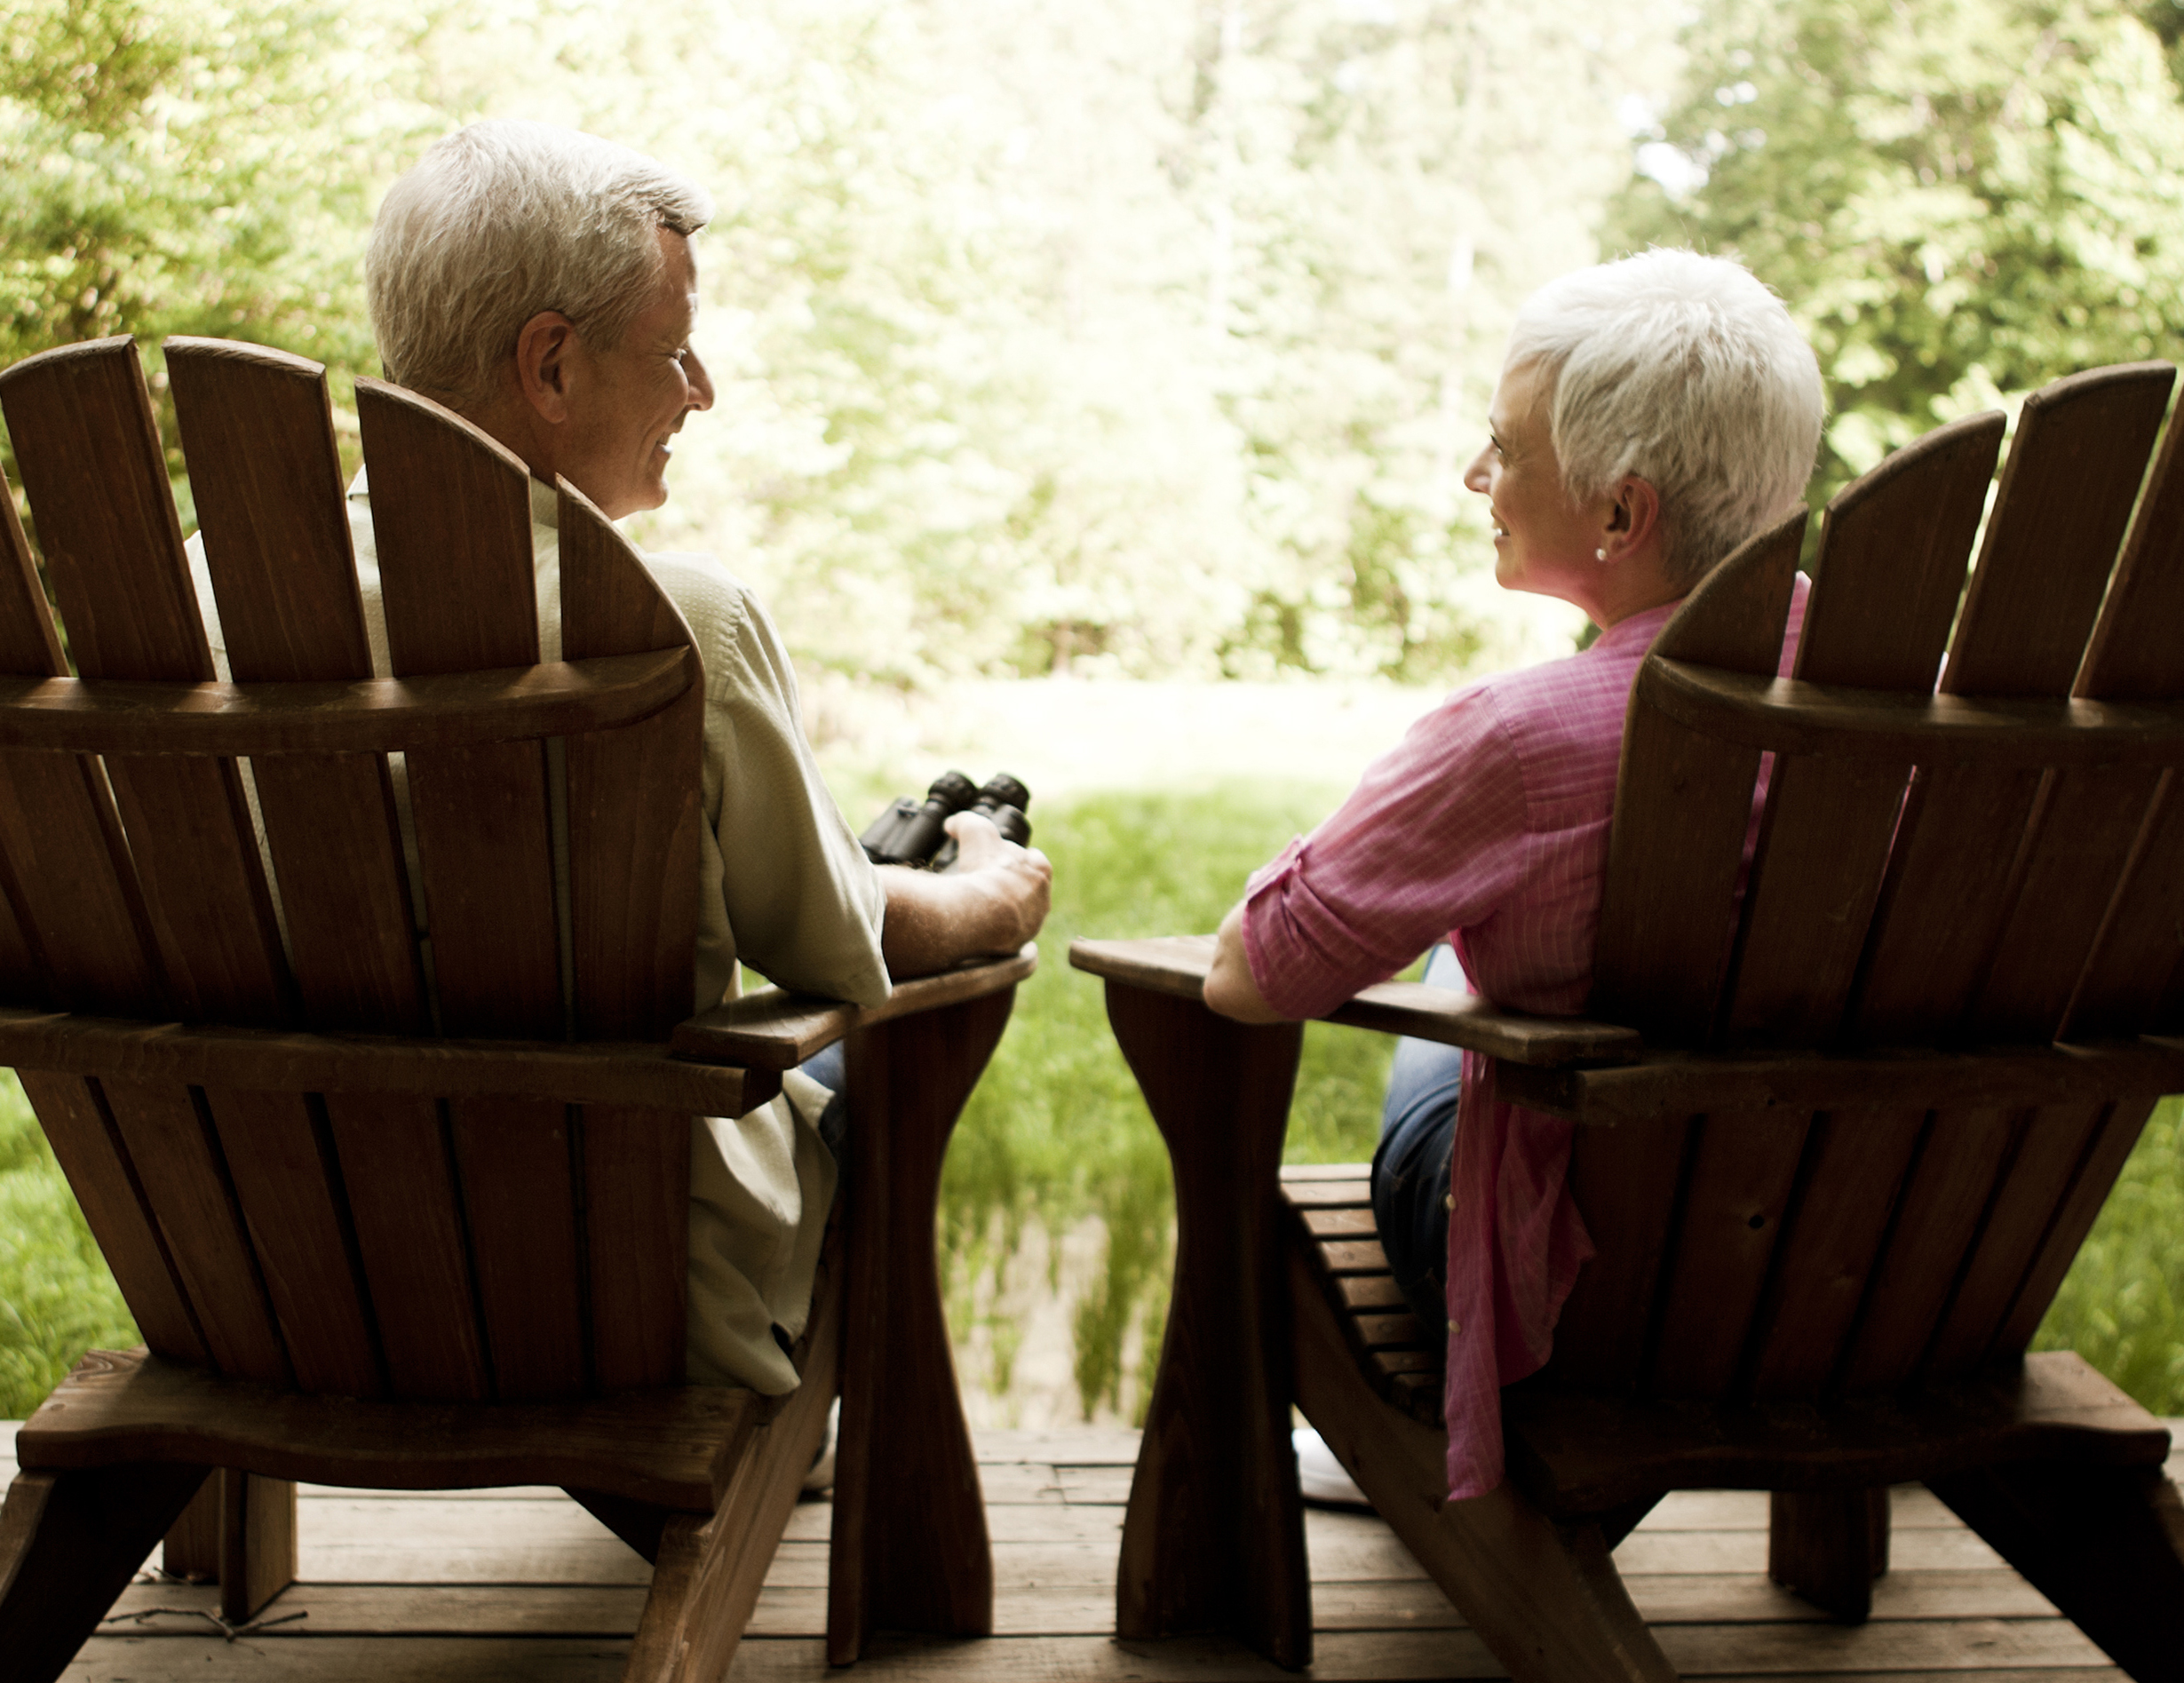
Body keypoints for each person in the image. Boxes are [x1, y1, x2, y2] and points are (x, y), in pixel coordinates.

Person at [195, 119, 1050, 1397]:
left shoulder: (201, 605)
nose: (698, 390)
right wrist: (986, 889)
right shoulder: (673, 621)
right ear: (549, 364)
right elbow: (836, 948)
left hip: (254, 1279)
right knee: (893, 1034)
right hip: (624, 1298)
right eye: (672, 350)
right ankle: (853, 1487)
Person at [1201, 250, 1823, 1505]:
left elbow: (1249, 976)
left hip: (1597, 1288)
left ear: (1619, 512)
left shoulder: (1523, 740)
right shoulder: (1905, 707)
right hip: (1865, 1261)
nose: (1475, 477)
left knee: (1452, 961)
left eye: (1503, 447)